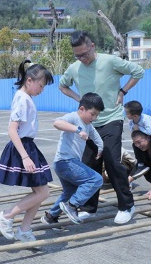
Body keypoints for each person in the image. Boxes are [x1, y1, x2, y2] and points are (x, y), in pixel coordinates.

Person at [59, 31, 145, 224]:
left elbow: (138, 71)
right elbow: (62, 86)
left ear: (92, 46)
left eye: (84, 54)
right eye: (77, 56)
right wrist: (79, 99)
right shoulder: (74, 68)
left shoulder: (110, 61)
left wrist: (123, 91)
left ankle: (127, 205)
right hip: (89, 124)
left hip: (111, 119)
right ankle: (89, 208)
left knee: (112, 162)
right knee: (89, 165)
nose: (82, 58)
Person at [0, 60, 54, 242]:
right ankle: (6, 216)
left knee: (41, 192)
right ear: (29, 81)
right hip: (23, 147)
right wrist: (25, 157)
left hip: (28, 146)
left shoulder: (25, 97)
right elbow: (12, 130)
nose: (42, 90)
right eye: (41, 86)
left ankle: (24, 229)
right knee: (43, 192)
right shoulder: (22, 99)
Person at [41, 93, 104, 229]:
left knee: (70, 191)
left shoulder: (88, 124)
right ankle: (72, 206)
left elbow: (96, 137)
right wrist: (77, 130)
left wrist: (100, 148)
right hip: (66, 162)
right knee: (96, 179)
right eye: (92, 114)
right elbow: (57, 123)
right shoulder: (74, 117)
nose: (94, 118)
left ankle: (51, 217)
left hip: (65, 163)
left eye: (97, 115)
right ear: (82, 109)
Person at [124, 100, 151, 176]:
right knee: (135, 144)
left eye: (127, 113)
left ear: (135, 116)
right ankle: (140, 163)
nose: (125, 114)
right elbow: (133, 130)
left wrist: (139, 128)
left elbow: (150, 132)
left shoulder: (145, 119)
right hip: (145, 131)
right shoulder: (132, 121)